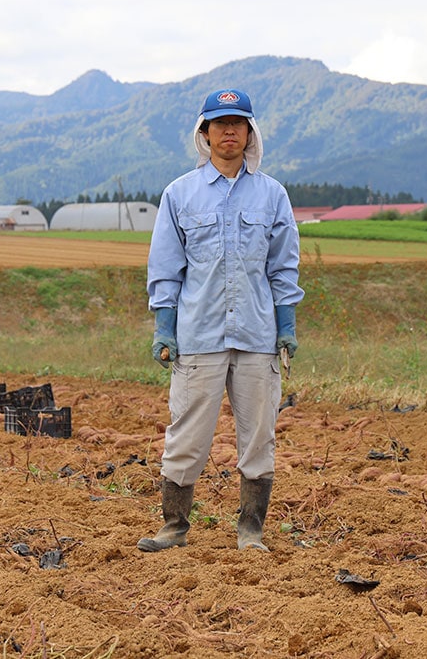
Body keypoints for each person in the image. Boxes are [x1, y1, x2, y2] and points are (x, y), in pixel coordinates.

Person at [139, 88, 304, 553]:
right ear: (204, 133)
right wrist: (164, 327)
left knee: (258, 436)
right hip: (199, 335)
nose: (228, 131)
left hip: (256, 335)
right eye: (219, 124)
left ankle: (251, 530)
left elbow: (283, 267)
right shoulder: (180, 194)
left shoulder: (272, 194)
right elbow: (166, 268)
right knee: (187, 433)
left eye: (238, 123)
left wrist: (286, 325)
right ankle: (174, 527)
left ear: (250, 133)